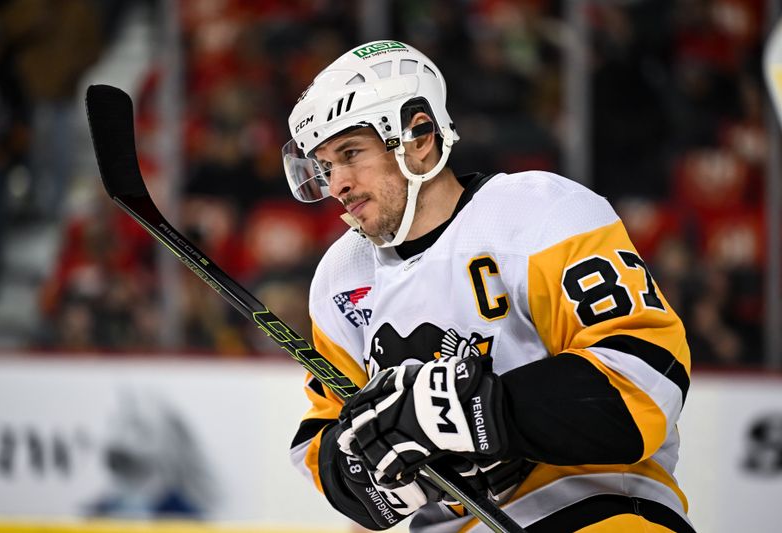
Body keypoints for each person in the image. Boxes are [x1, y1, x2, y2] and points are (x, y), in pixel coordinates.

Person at [282, 39, 694, 533]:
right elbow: (321, 446)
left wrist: (474, 412)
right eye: (326, 166)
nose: (337, 184)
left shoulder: (539, 212)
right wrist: (378, 475)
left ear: (419, 136)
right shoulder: (342, 277)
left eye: (351, 153)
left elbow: (646, 380)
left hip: (593, 508)